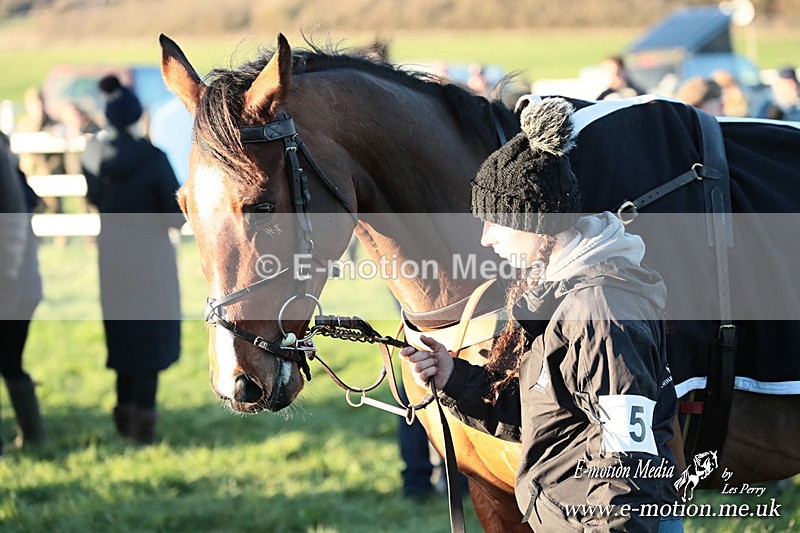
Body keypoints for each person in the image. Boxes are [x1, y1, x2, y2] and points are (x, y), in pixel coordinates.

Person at [401, 97, 681, 531]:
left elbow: (627, 468)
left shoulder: (599, 312)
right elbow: (551, 416)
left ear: (538, 222)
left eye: (496, 222)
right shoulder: (561, 294)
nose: (486, 238)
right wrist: (453, 376)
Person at [81, 75, 184, 445]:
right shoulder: (153, 158)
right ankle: (144, 424)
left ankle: (124, 414)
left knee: (123, 334)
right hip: (150, 259)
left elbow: (93, 199)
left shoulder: (91, 154)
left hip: (111, 257)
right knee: (150, 338)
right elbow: (175, 215)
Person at [0, 132, 45, 453]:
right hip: (20, 284)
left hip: (11, 285)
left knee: (10, 361)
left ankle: (30, 436)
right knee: (10, 362)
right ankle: (32, 436)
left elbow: (13, 224)